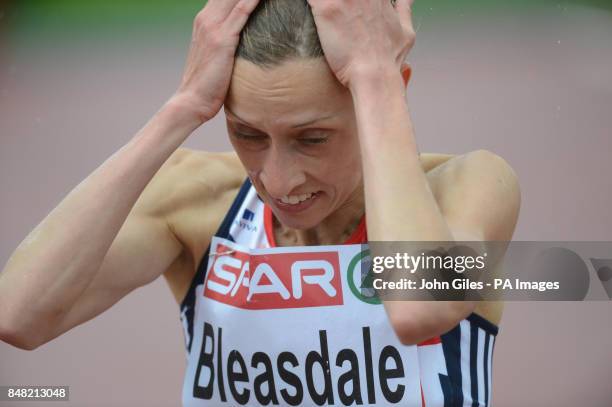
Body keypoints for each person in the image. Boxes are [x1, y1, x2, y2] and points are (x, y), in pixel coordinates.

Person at [0, 0, 520, 405]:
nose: (278, 179)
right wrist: (183, 107)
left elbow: (416, 309)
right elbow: (18, 315)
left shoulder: (467, 186)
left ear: (385, 93)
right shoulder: (196, 202)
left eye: (312, 138)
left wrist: (377, 76)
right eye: (247, 133)